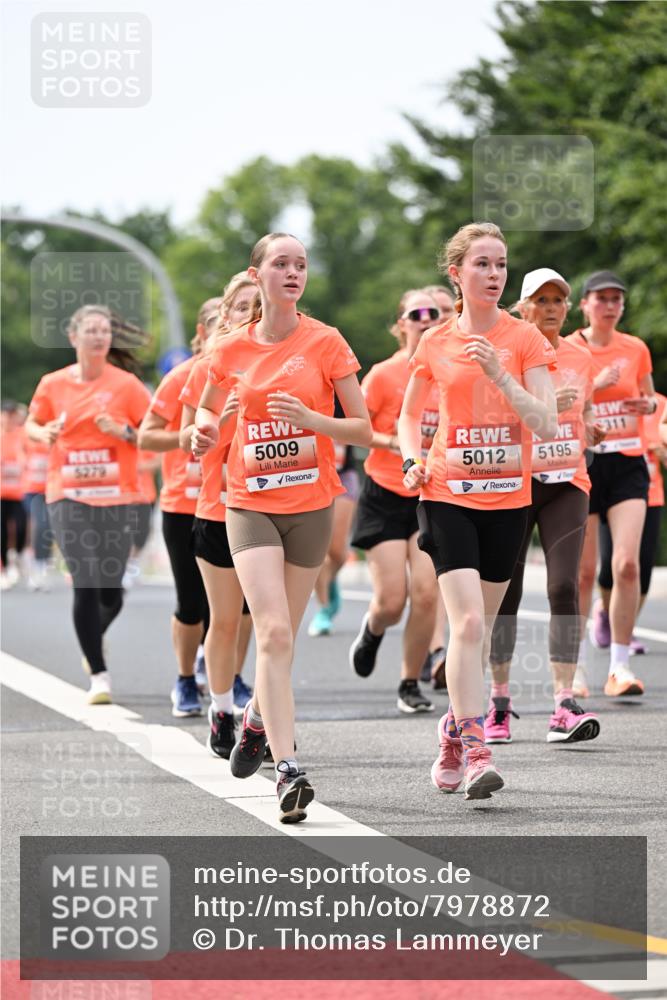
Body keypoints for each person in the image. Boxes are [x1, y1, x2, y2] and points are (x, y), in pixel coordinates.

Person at [193, 232, 371, 823]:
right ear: (258, 273)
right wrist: (202, 430)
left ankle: (256, 721)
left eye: (301, 265)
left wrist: (313, 418)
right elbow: (206, 413)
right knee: (270, 634)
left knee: (283, 640)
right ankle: (289, 771)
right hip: (249, 504)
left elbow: (363, 430)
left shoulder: (326, 342)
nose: (293, 273)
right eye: (281, 264)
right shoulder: (231, 349)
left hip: (312, 507)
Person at [398, 222, 557, 800]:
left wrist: (500, 375)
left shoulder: (524, 340)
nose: (495, 274)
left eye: (501, 264)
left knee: (482, 631)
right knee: (464, 623)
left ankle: (448, 731)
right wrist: (414, 458)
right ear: (456, 274)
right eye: (483, 264)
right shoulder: (435, 342)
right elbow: (409, 415)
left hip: (508, 501)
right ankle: (474, 747)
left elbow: (544, 421)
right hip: (445, 496)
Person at [487, 268, 600, 745]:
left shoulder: (582, 356)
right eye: (542, 300)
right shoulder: (508, 348)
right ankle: (498, 703)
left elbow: (587, 410)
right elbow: (490, 414)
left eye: (559, 300)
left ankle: (563, 703)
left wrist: (590, 424)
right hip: (515, 479)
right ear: (523, 306)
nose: (552, 307)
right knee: (506, 594)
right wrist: (544, 404)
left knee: (562, 586)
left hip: (567, 481)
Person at [25, 305, 150, 704]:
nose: (99, 337)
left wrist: (124, 431)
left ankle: (94, 636)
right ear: (73, 336)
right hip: (67, 493)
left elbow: (154, 433)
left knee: (111, 591)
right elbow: (31, 424)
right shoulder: (52, 384)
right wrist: (44, 431)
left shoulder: (127, 385)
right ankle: (98, 675)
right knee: (84, 579)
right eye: (91, 330)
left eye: (104, 331)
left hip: (119, 496)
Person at [348, 289, 442, 714]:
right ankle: (372, 629)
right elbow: (356, 429)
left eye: (434, 313)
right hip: (384, 492)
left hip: (431, 494)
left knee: (426, 595)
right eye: (415, 314)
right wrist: (401, 446)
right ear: (401, 324)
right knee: (392, 599)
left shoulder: (452, 372)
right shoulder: (383, 375)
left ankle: (409, 680)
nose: (425, 319)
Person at [566, 271, 657, 698]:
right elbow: (557, 405)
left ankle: (619, 667)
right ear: (584, 304)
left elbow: (650, 396)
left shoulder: (635, 347)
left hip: (627, 463)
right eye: (601, 298)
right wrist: (592, 387)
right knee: (583, 574)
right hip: (583, 463)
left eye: (616, 299)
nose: (609, 305)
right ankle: (578, 668)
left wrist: (649, 403)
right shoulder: (569, 348)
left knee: (626, 565)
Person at [179, 273, 257, 759]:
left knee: (270, 624)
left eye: (258, 304)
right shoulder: (211, 365)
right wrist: (221, 418)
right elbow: (191, 435)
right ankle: (222, 707)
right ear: (224, 315)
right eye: (242, 306)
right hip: (220, 508)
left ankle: (264, 720)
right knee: (225, 621)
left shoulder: (294, 355)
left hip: (278, 507)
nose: (252, 313)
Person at [138, 299, 221, 717]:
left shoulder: (251, 372)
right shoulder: (180, 378)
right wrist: (187, 438)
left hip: (230, 502)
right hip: (183, 503)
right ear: (201, 333)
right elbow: (146, 438)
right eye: (219, 322)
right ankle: (186, 678)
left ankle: (227, 674)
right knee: (191, 601)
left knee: (231, 605)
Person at [591, 391, 666, 657]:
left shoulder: (658, 404)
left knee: (640, 571)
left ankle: (625, 626)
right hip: (609, 490)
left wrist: (659, 449)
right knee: (611, 564)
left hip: (650, 493)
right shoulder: (604, 397)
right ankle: (606, 613)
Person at [420, 286, 456, 688]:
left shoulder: (475, 354)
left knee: (436, 588)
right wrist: (409, 455)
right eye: (426, 313)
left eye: (444, 310)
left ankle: (442, 650)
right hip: (401, 486)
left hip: (469, 482)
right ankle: (379, 625)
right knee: (400, 595)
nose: (435, 318)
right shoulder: (421, 357)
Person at [306, 397, 360, 638]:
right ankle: (325, 609)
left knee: (337, 552)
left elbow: (363, 427)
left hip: (342, 474)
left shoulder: (346, 388)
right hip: (310, 474)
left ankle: (328, 581)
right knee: (317, 552)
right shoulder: (303, 381)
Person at [21, 425, 52, 591]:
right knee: (39, 526)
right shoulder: (24, 437)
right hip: (32, 491)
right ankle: (36, 568)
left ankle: (43, 566)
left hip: (52, 490)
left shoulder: (54, 436)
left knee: (48, 529)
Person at [1, 401, 27, 590]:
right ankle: (4, 569)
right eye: (6, 414)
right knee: (1, 532)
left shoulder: (21, 435)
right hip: (1, 493)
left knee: (20, 529)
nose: (9, 418)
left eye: (12, 415)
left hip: (19, 492)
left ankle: (16, 554)